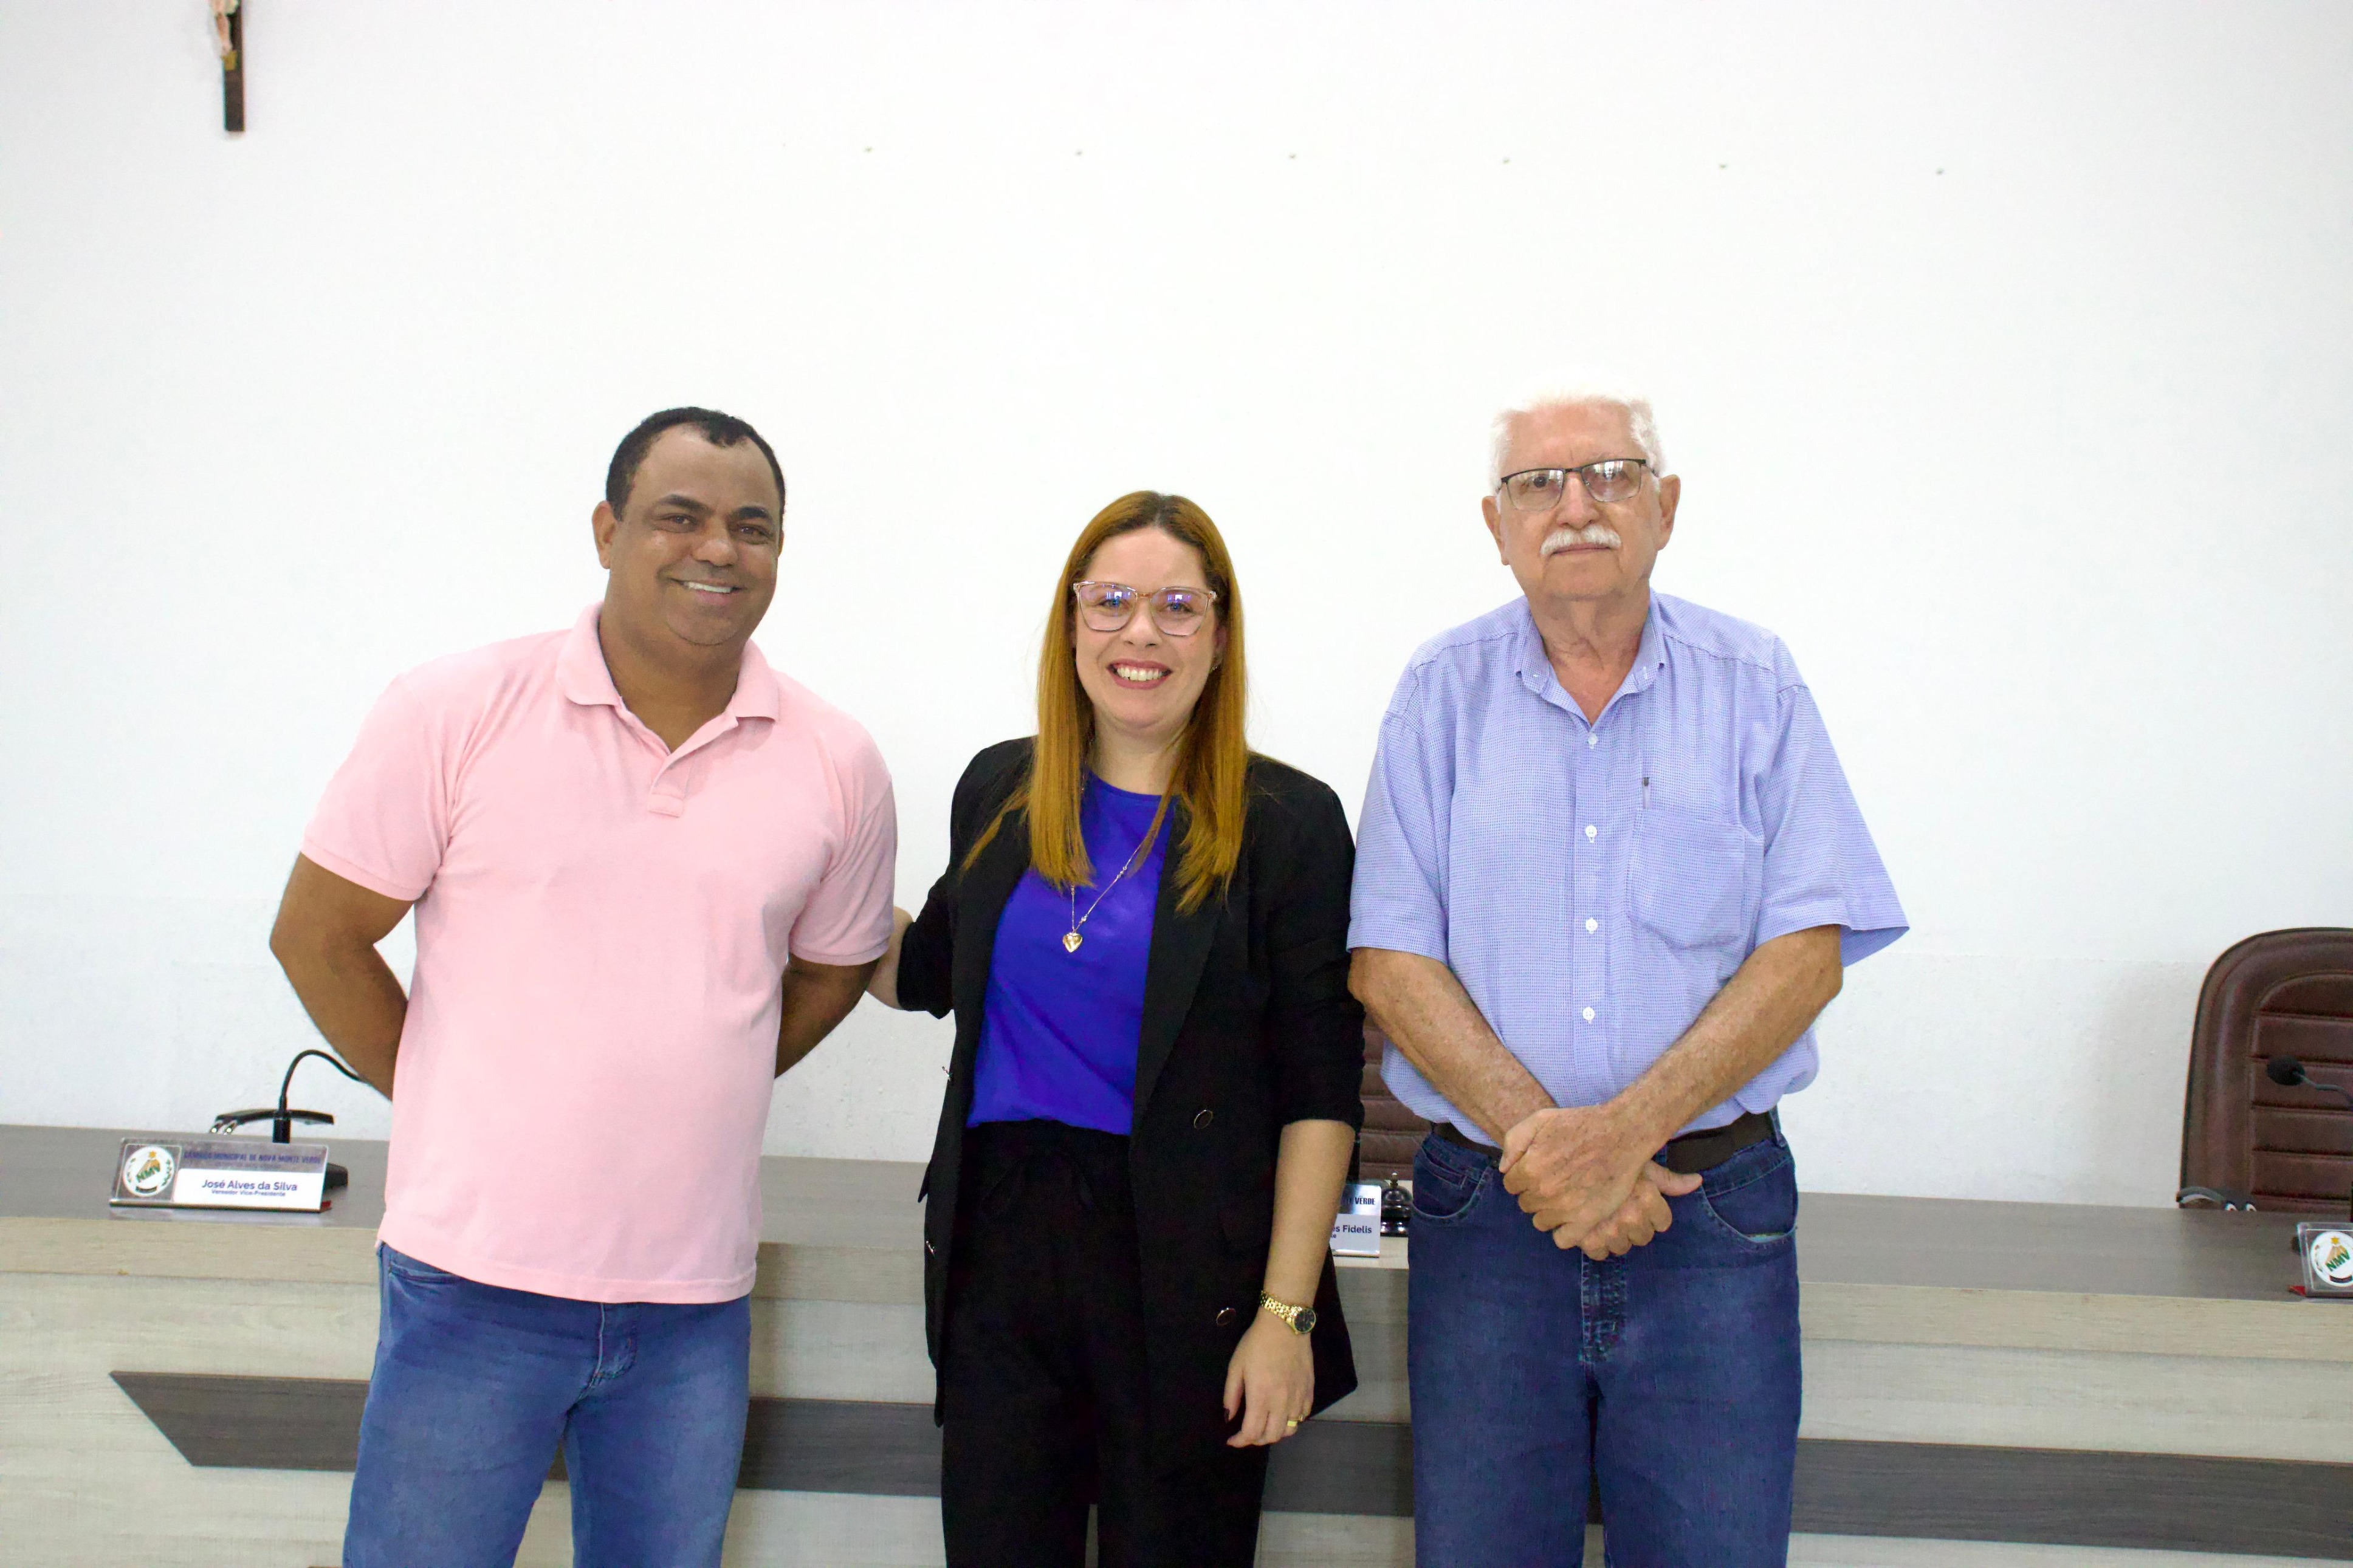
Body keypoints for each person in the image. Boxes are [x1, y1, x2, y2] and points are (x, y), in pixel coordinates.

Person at [269, 408, 896, 1568]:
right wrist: (448, 1090)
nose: (719, 549)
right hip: (471, 1285)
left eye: (753, 528)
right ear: (608, 531)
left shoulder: (836, 759)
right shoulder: (456, 708)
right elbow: (318, 934)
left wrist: (713, 1066)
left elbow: (835, 963)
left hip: (693, 1306)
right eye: (680, 517)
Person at [1348, 381, 1908, 1567]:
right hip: (1489, 1225)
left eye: (1609, 474)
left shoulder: (1756, 684)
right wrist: (1556, 1148)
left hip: (1712, 1221)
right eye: (1536, 484)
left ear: (1666, 506)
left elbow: (1807, 952)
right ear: (1496, 526)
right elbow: (1390, 961)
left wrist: (1620, 1138)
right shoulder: (1440, 692)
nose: (1575, 505)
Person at [865, 491, 1363, 1568]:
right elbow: (921, 969)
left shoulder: (1290, 825)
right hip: (1000, 1250)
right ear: (1072, 623)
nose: (1142, 632)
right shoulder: (1001, 788)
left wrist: (1286, 1315)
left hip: (1188, 1262)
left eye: (1179, 606)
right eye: (1113, 602)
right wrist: (801, 887)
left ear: (1220, 635)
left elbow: (1320, 1093)